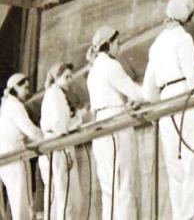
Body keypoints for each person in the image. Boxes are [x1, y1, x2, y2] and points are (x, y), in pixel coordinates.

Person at [143, 0, 194, 220]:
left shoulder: (156, 44)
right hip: (184, 98)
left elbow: (147, 90)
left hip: (165, 106)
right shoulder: (183, 38)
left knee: (175, 173)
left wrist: (157, 114)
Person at [86, 26, 143, 220]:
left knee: (109, 188)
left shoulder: (93, 70)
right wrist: (150, 95)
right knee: (124, 182)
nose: (119, 47)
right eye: (117, 43)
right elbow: (133, 91)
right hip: (116, 126)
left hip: (101, 127)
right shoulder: (110, 65)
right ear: (107, 44)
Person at [38, 62, 84, 220]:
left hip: (56, 146)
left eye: (71, 76)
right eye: (67, 77)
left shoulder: (56, 94)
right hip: (58, 147)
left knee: (60, 198)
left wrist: (77, 118)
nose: (70, 80)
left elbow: (62, 123)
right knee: (64, 199)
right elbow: (60, 125)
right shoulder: (55, 94)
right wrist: (65, 150)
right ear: (57, 78)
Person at [0, 73, 43, 220]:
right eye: (25, 88)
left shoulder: (6, 105)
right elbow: (31, 131)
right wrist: (48, 135)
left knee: (16, 202)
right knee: (23, 204)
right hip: (16, 159)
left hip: (7, 160)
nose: (28, 91)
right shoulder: (15, 106)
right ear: (15, 88)